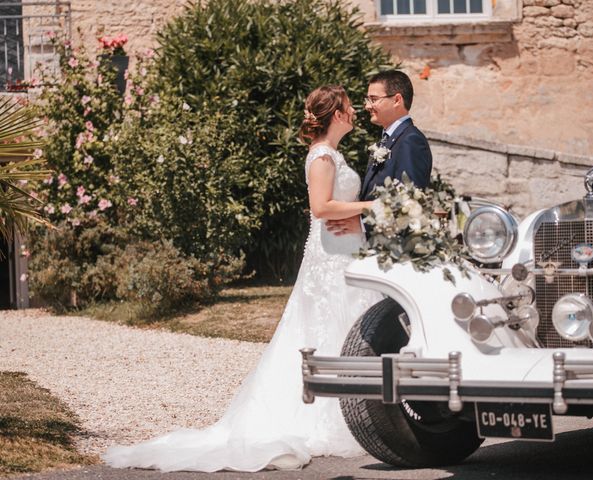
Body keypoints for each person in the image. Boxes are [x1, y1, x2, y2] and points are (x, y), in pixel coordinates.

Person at [102, 85, 381, 472]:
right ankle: (327, 416)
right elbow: (320, 208)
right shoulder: (321, 156)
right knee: (326, 327)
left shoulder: (332, 154)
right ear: (336, 114)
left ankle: (354, 410)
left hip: (343, 247)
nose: (354, 113)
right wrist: (372, 206)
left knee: (344, 326)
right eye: (349, 108)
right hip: (331, 254)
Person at [327, 69, 432, 236]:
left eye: (374, 99)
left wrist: (363, 226)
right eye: (367, 99)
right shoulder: (387, 139)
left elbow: (409, 203)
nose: (367, 106)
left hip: (388, 247)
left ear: (397, 100)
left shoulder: (411, 140)